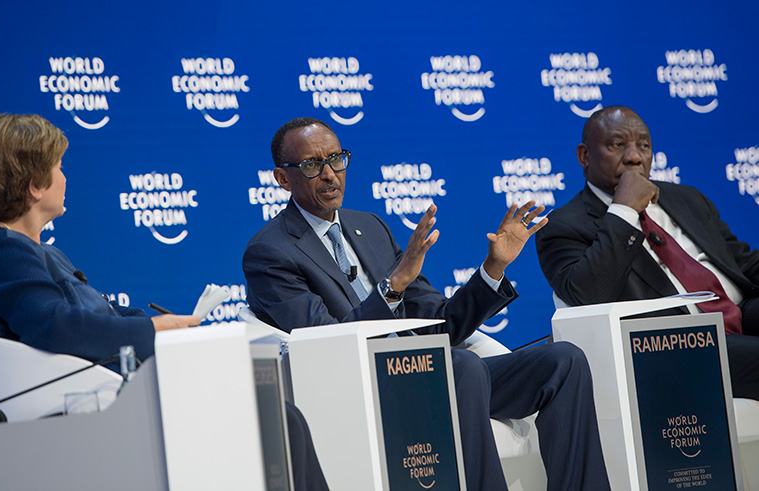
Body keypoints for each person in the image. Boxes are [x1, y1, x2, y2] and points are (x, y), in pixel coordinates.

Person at [0, 113, 329, 491]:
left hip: (114, 397)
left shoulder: (32, 251)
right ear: (35, 186)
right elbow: (57, 326)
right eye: (58, 167)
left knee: (280, 418)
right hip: (87, 413)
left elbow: (102, 312)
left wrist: (169, 327)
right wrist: (153, 330)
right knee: (278, 418)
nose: (65, 178)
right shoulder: (2, 252)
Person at [243, 117, 611, 490]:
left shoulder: (369, 227)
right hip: (366, 386)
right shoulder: (270, 252)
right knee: (462, 367)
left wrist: (493, 268)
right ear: (282, 178)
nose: (329, 174)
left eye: (336, 159)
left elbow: (442, 323)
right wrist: (392, 287)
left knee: (563, 360)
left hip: (438, 373)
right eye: (311, 165)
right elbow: (329, 344)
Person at [535, 105, 759, 400]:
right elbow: (587, 294)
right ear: (584, 156)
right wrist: (624, 210)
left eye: (644, 146)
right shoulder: (563, 226)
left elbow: (741, 262)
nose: (634, 157)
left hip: (740, 314)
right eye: (617, 145)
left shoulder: (685, 198)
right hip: (673, 345)